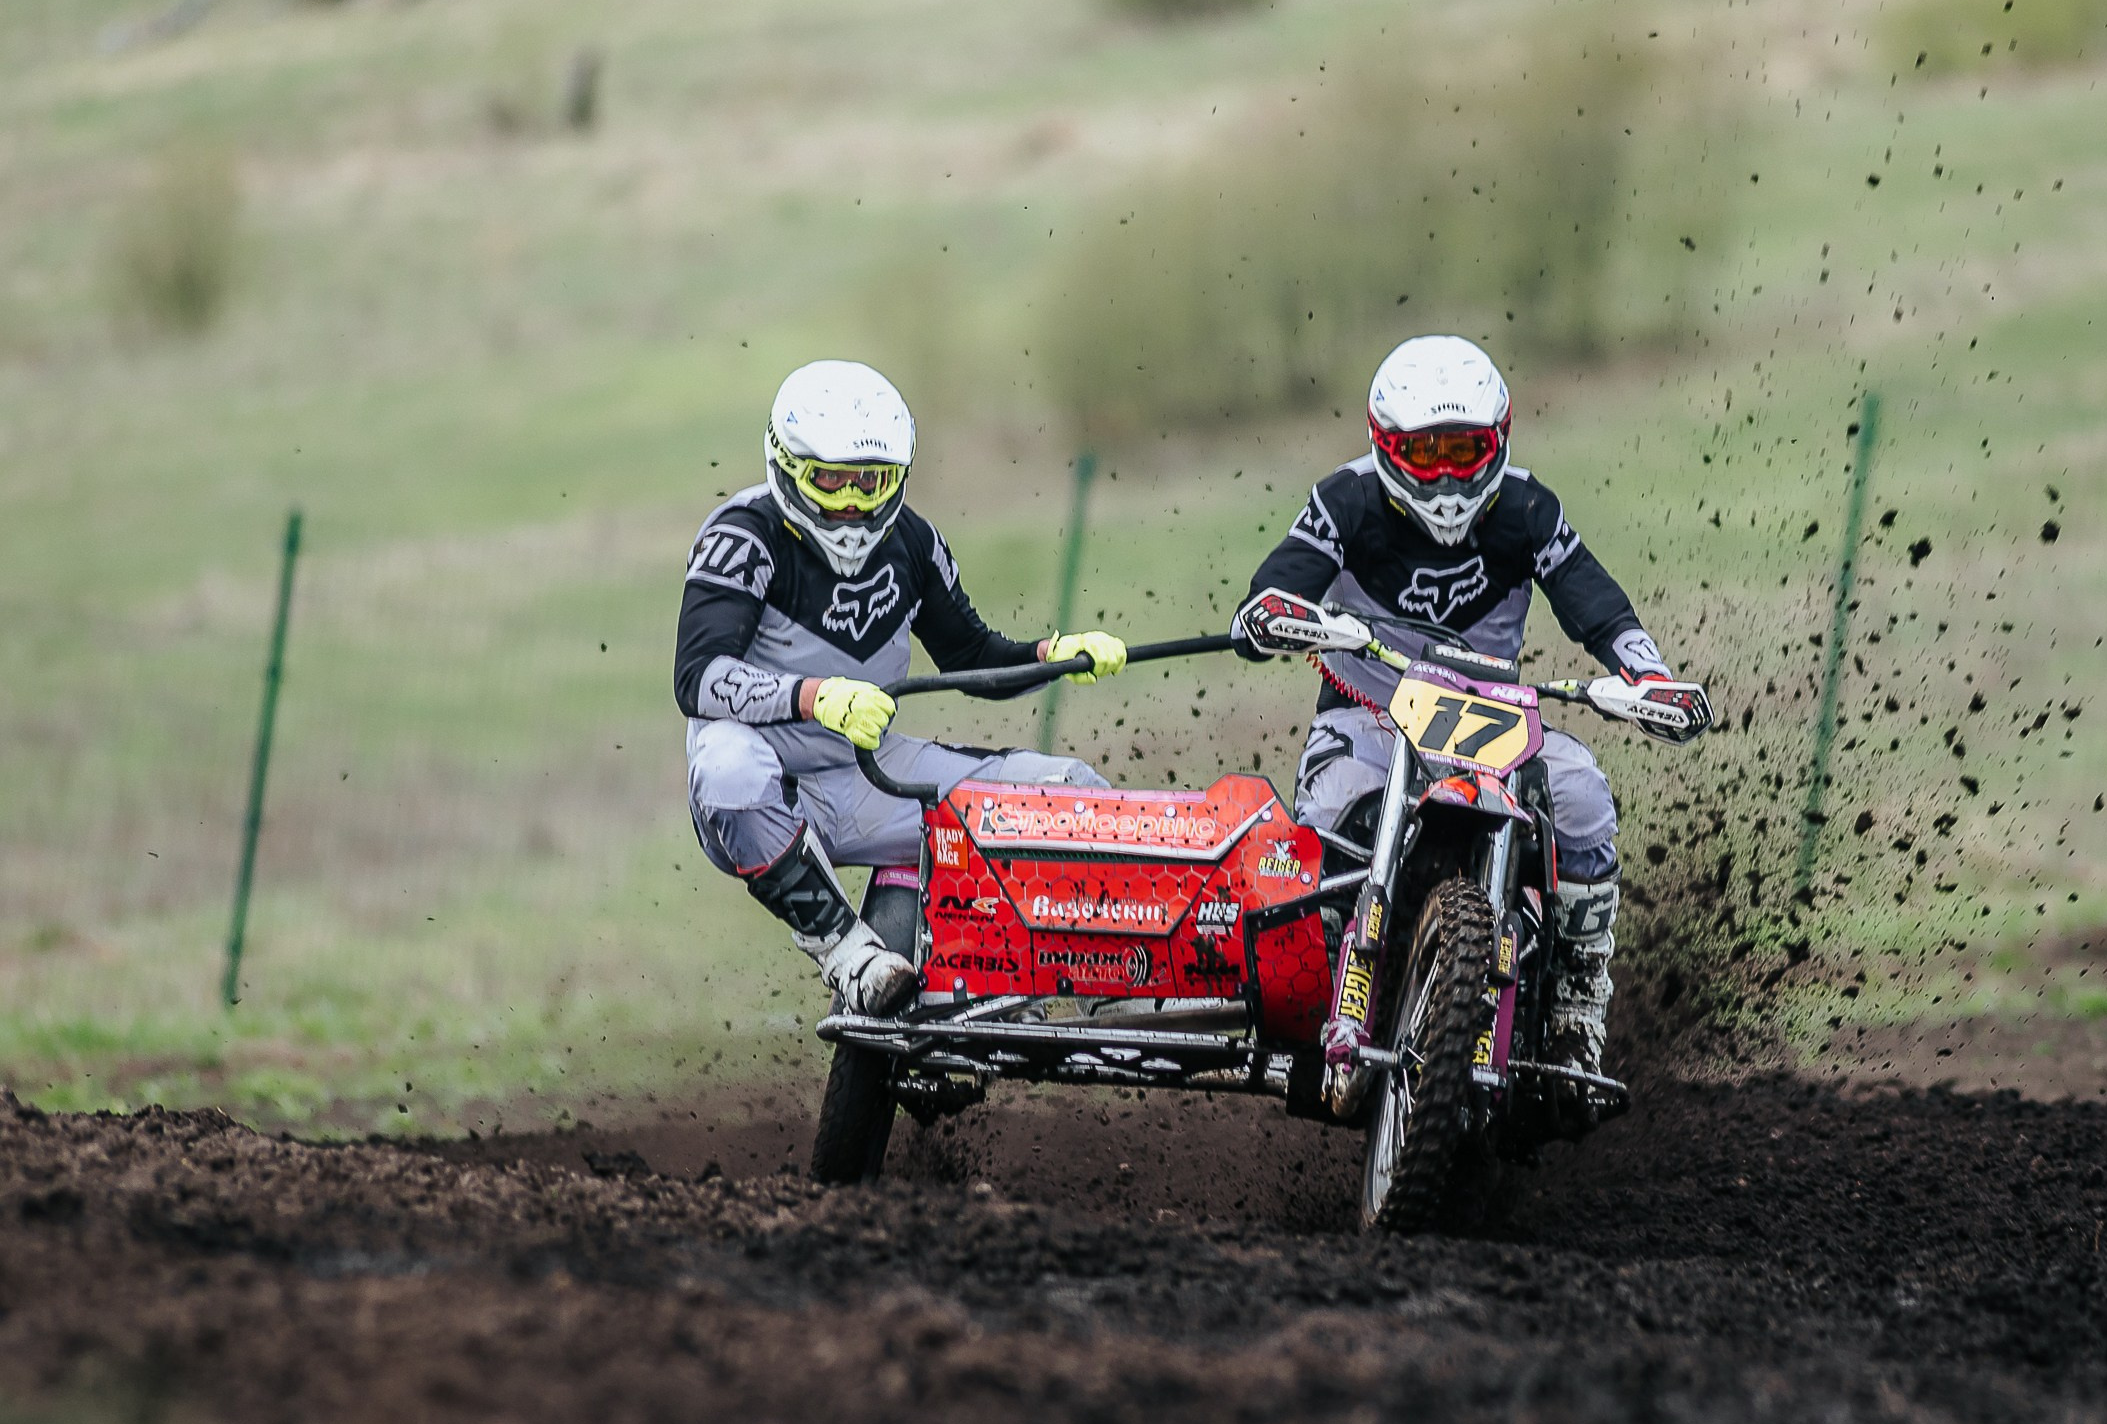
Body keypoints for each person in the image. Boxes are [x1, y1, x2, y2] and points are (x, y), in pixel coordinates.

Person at [1230, 335, 1709, 1070]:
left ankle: (1579, 1001)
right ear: (1384, 445)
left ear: (1501, 441)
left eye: (1465, 450)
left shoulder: (1527, 507)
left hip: (1489, 722)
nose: (1448, 477)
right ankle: (1315, 981)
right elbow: (1282, 577)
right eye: (1426, 456)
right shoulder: (1345, 499)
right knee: (1324, 817)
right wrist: (1271, 611)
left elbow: (1597, 605)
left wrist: (1647, 676)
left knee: (1582, 796)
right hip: (1370, 712)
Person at [676, 360, 1126, 1014]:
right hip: (760, 782)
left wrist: (1053, 653)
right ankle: (848, 954)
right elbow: (697, 676)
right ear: (788, 467)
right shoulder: (741, 535)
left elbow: (971, 654)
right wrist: (814, 696)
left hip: (865, 771)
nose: (854, 504)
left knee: (1071, 791)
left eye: (872, 482)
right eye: (831, 482)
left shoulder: (914, 542)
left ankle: (1108, 981)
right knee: (727, 767)